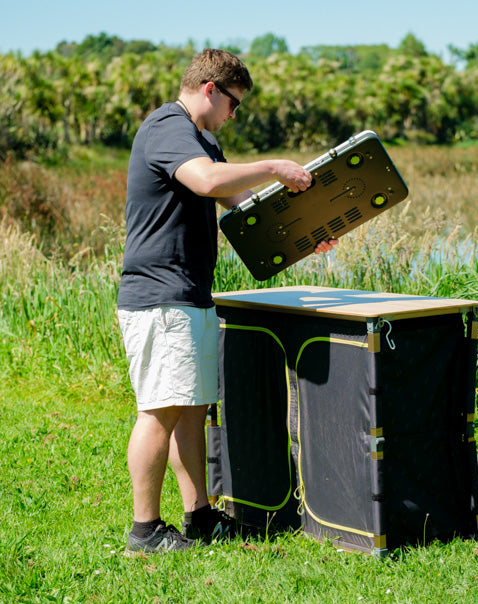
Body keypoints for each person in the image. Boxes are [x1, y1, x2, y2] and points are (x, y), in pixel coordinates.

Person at [117, 48, 338, 555]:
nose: (234, 115)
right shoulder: (168, 127)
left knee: (191, 411)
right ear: (210, 89)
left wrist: (304, 235)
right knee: (159, 412)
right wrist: (274, 165)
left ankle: (198, 518)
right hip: (159, 298)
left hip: (190, 293)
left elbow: (241, 208)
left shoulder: (204, 141)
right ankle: (144, 532)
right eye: (234, 103)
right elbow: (208, 181)